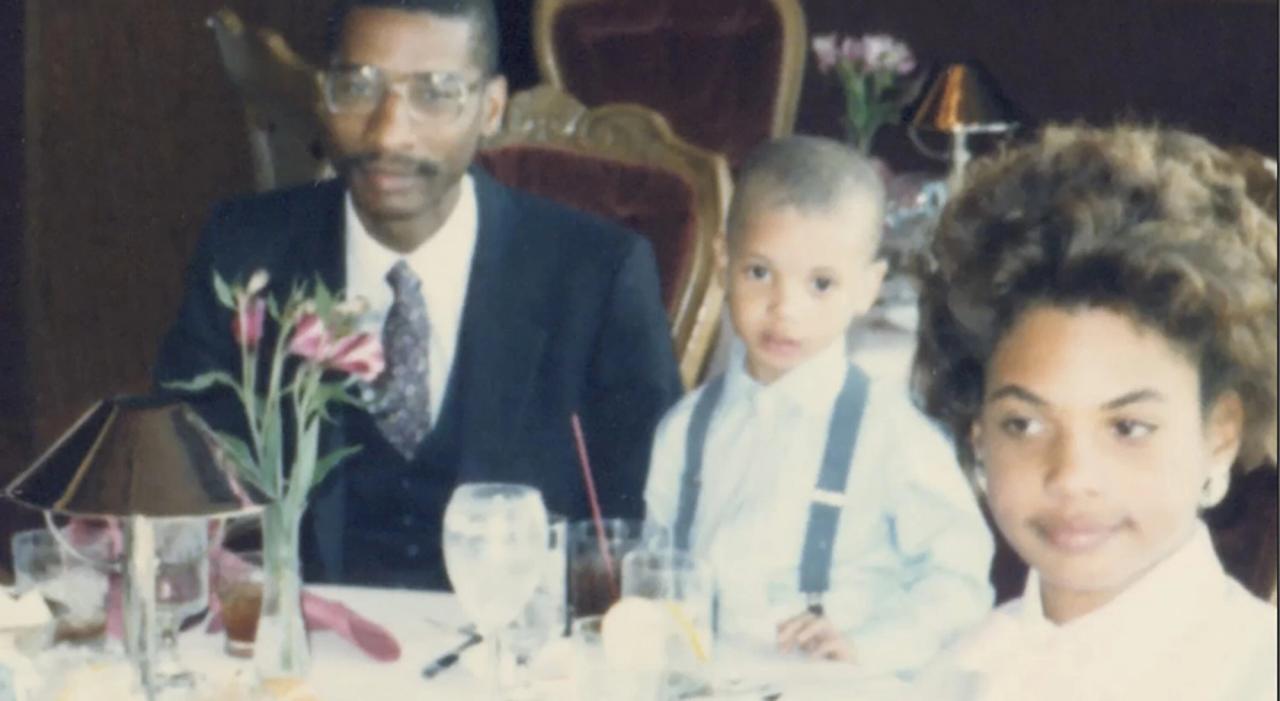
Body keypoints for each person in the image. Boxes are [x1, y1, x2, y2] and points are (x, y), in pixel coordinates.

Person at [153, 0, 682, 589]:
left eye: (435, 92)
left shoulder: (596, 277)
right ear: (321, 94)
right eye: (356, 87)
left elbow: (641, 530)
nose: (388, 133)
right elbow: (179, 481)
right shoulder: (247, 254)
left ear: (491, 108)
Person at [909, 124, 1278, 699]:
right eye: (1024, 425)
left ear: (1220, 436)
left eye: (1128, 428)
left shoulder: (1254, 675)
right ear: (979, 438)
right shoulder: (953, 677)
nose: (1072, 476)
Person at [644, 137, 994, 675]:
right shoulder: (685, 428)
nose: (785, 308)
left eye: (822, 284)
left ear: (867, 287)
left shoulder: (893, 432)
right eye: (759, 272)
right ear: (721, 261)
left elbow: (960, 582)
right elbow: (657, 562)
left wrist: (869, 644)